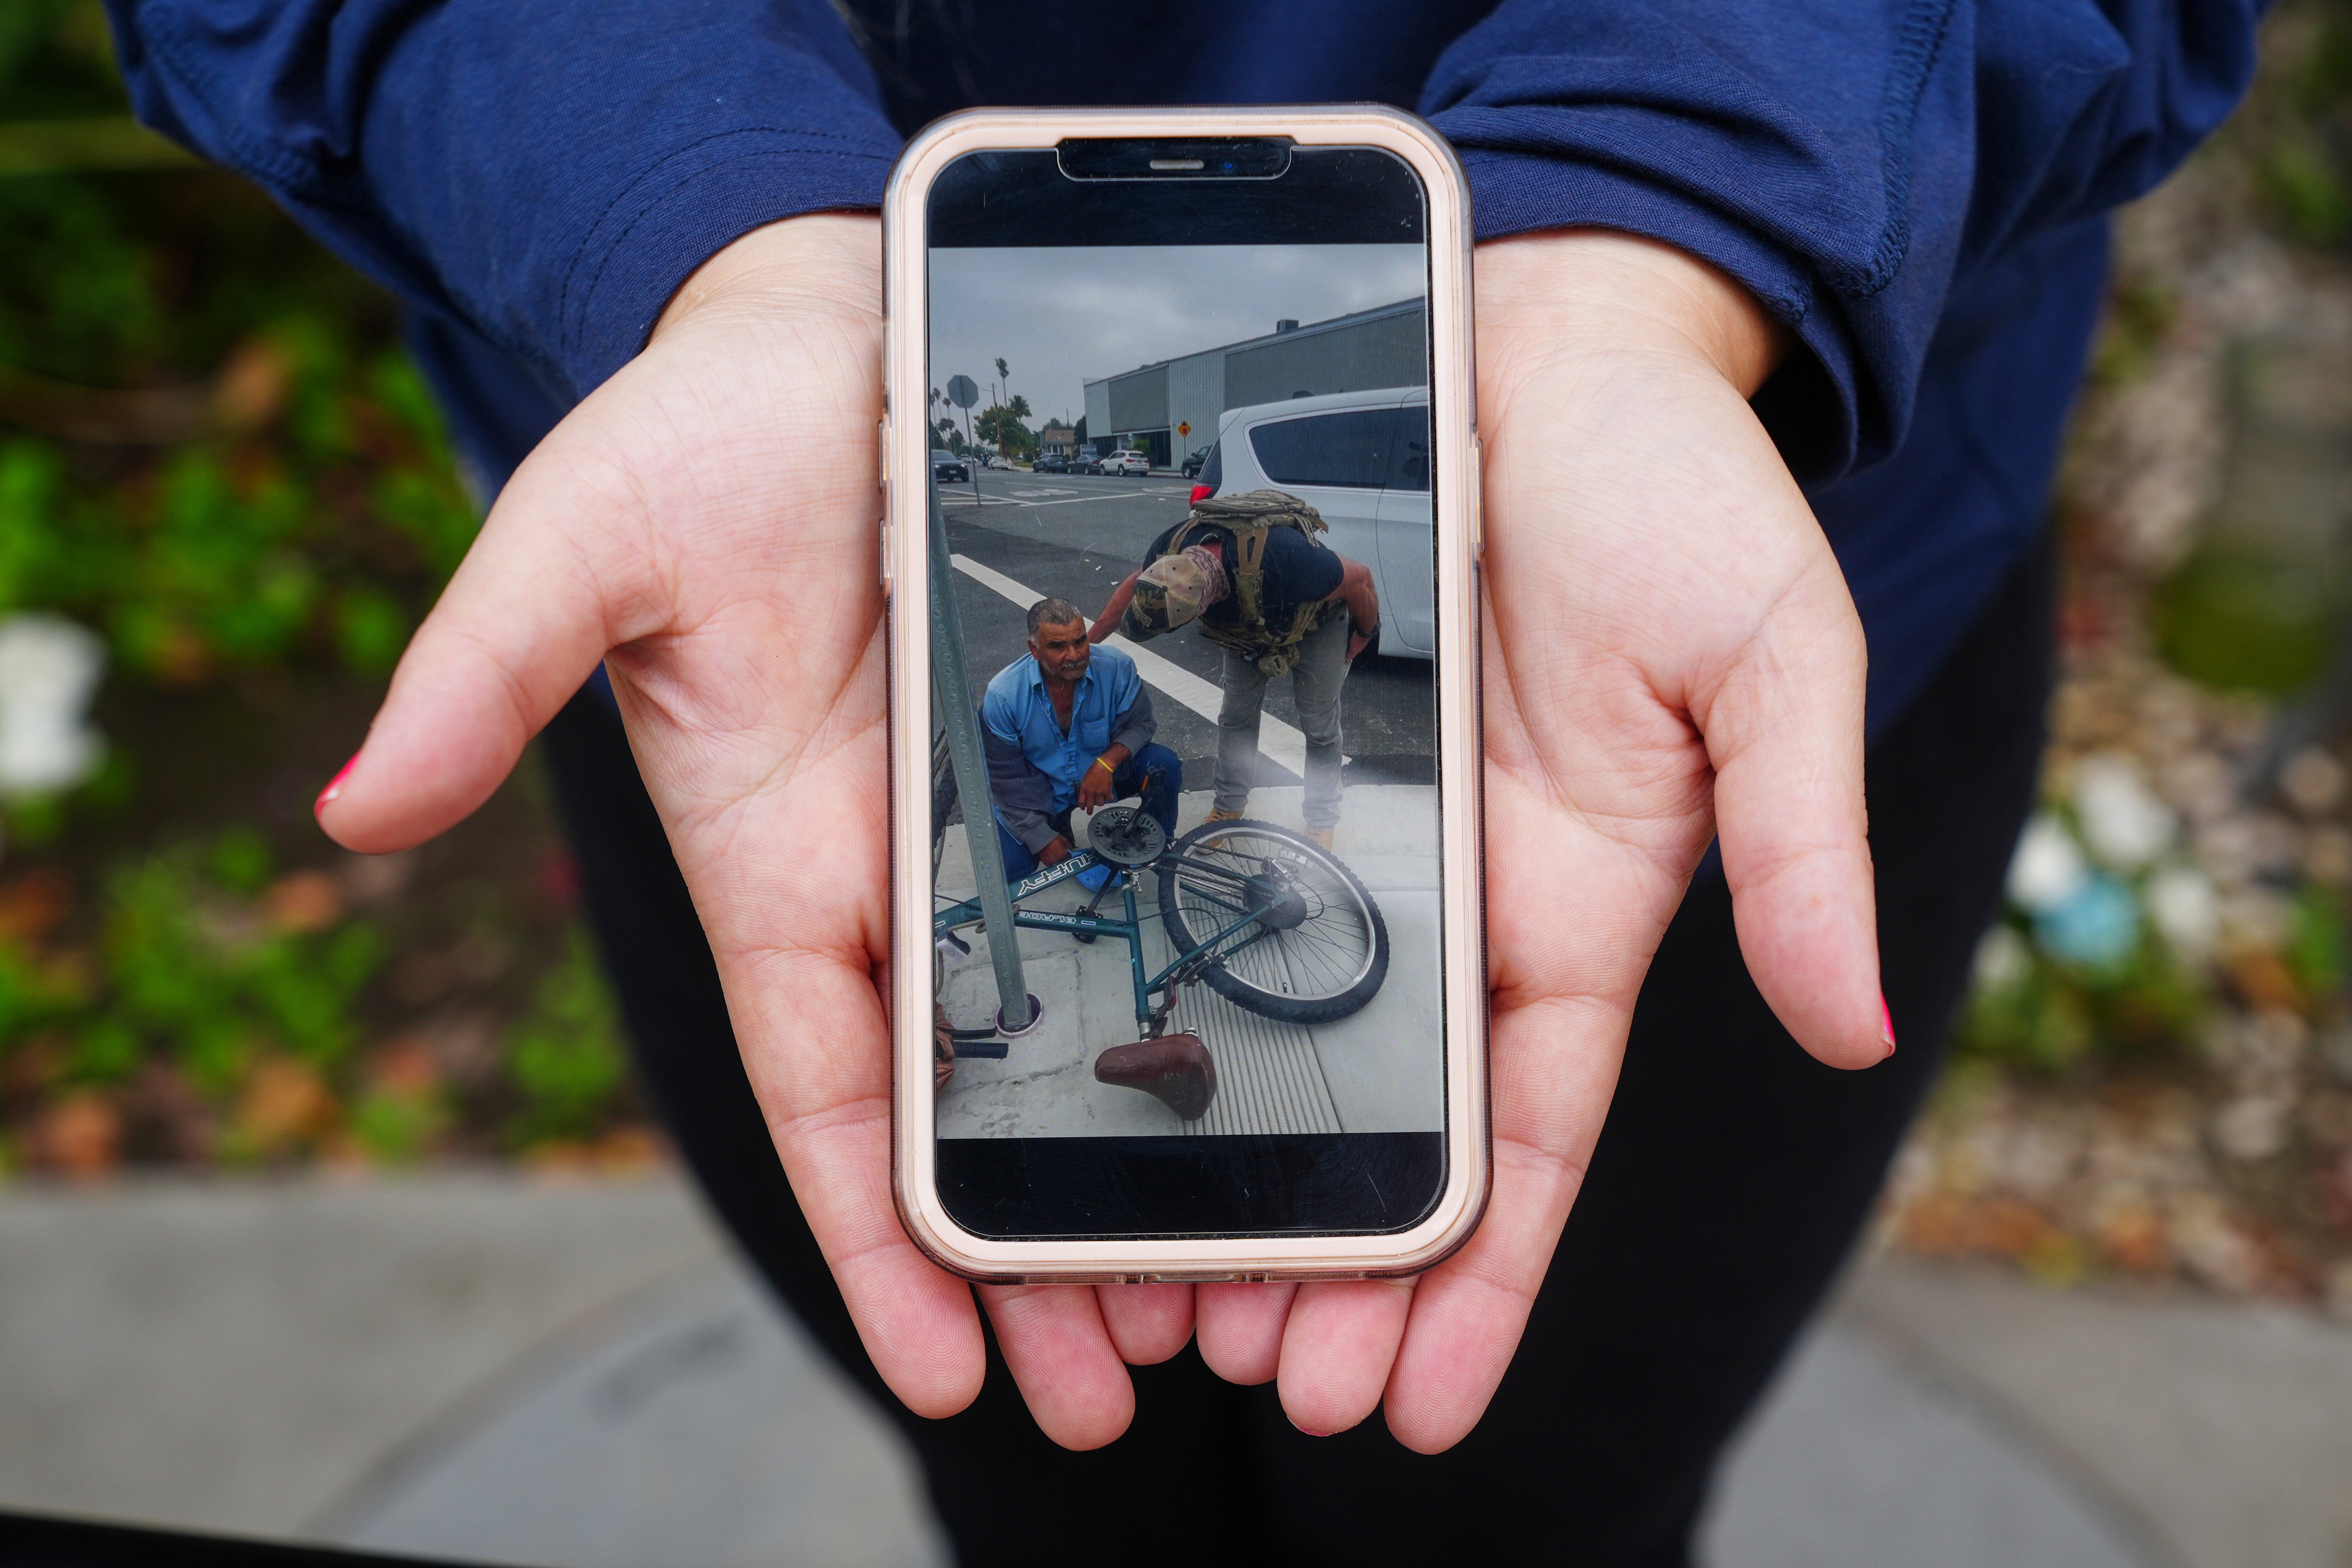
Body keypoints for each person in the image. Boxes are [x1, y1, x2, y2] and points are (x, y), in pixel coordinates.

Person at [106, 0, 2262, 1560]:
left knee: (1529, 1506)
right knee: (1039, 1482)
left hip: (1725, 579)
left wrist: (1681, 214)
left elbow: (1270, 623)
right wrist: (685, 208)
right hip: (777, 637)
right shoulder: (1129, 570)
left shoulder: (1266, 554)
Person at [1091, 489, 1377, 850]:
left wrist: (1366, 632)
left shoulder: (1288, 559)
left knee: (1319, 724)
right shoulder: (1169, 548)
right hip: (1244, 629)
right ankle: (1228, 808)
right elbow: (1138, 582)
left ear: (1199, 610)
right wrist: (1089, 642)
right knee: (1236, 717)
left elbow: (1360, 579)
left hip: (1314, 624)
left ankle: (1321, 819)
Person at [982, 597, 1180, 882]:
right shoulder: (1003, 696)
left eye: (1080, 641)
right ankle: (1057, 826)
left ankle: (1162, 853)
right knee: (1011, 871)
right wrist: (1039, 837)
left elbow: (1141, 723)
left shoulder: (1117, 668)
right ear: (1034, 650)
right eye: (1058, 647)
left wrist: (1107, 763)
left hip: (1104, 778)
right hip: (1041, 792)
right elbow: (1005, 778)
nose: (1074, 655)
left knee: (1165, 765)